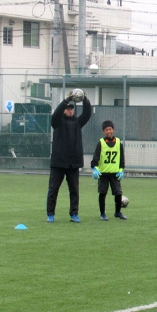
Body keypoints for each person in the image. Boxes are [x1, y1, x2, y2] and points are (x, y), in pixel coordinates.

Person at [46, 91, 92, 223]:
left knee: (74, 190)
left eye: (71, 108)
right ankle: (50, 214)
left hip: (73, 163)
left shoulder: (78, 122)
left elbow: (87, 114)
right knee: (53, 189)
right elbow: (55, 115)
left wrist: (85, 99)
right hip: (58, 162)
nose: (70, 110)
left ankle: (74, 214)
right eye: (67, 109)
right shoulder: (57, 122)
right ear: (64, 110)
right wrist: (66, 100)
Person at [90, 120, 127, 221]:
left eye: (110, 129)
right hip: (103, 173)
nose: (109, 131)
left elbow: (121, 158)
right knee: (102, 193)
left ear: (113, 130)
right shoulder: (101, 143)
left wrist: (121, 169)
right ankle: (102, 214)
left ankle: (118, 212)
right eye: (106, 130)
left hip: (115, 173)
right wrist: (95, 169)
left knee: (118, 193)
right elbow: (95, 159)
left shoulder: (118, 142)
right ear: (103, 132)